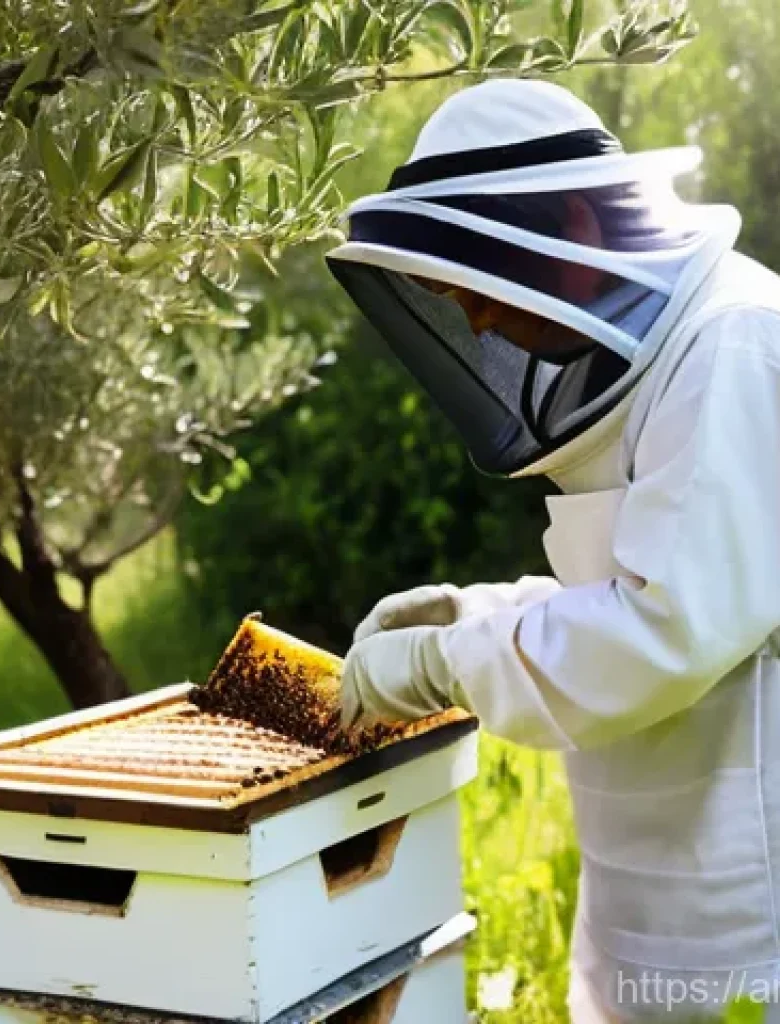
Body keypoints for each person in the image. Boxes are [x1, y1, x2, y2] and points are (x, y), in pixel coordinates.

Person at [325, 79, 780, 1022]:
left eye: (476, 286)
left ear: (569, 224)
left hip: (750, 868)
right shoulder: (657, 349)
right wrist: (474, 610)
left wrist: (444, 663)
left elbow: (667, 632)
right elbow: (631, 585)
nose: (478, 323)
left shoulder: (733, 346)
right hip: (654, 843)